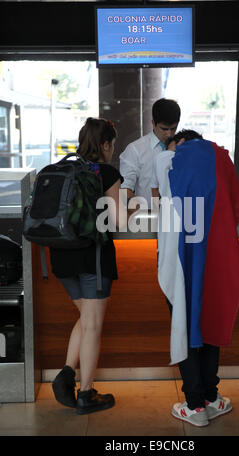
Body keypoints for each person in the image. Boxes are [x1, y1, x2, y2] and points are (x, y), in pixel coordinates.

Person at [151, 129, 239, 427]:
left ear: (180, 143)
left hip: (179, 259)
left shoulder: (168, 160)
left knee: (184, 321)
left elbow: (158, 196)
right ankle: (211, 397)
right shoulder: (220, 158)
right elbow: (238, 208)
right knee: (210, 320)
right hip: (215, 257)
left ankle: (194, 405)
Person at [50, 117, 127, 415]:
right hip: (92, 256)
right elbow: (118, 221)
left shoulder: (63, 167)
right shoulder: (105, 171)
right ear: (105, 144)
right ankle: (85, 394)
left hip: (61, 257)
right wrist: (130, 206)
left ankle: (67, 373)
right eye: (112, 145)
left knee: (86, 319)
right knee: (93, 324)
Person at [119, 98, 181, 207]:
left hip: (178, 216)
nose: (169, 134)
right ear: (153, 123)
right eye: (164, 129)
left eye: (173, 128)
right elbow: (125, 189)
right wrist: (140, 215)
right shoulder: (135, 150)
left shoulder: (183, 147)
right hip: (147, 216)